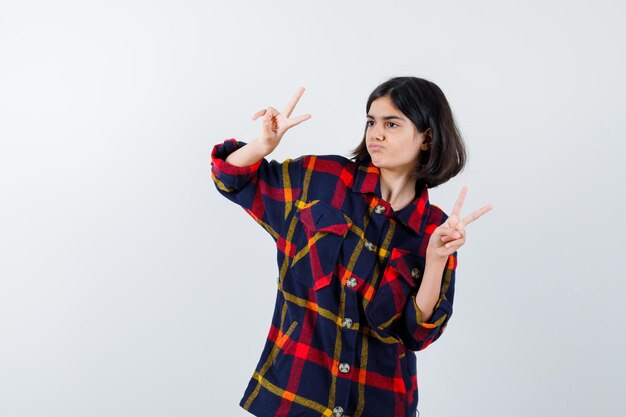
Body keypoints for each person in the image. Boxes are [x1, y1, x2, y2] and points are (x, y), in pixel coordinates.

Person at [210, 76, 492, 417]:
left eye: (391, 123)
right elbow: (231, 179)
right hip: (295, 398)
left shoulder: (435, 230)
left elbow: (417, 334)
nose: (376, 133)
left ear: (427, 137)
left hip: (380, 404)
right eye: (371, 121)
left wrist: (434, 260)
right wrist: (261, 146)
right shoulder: (321, 179)